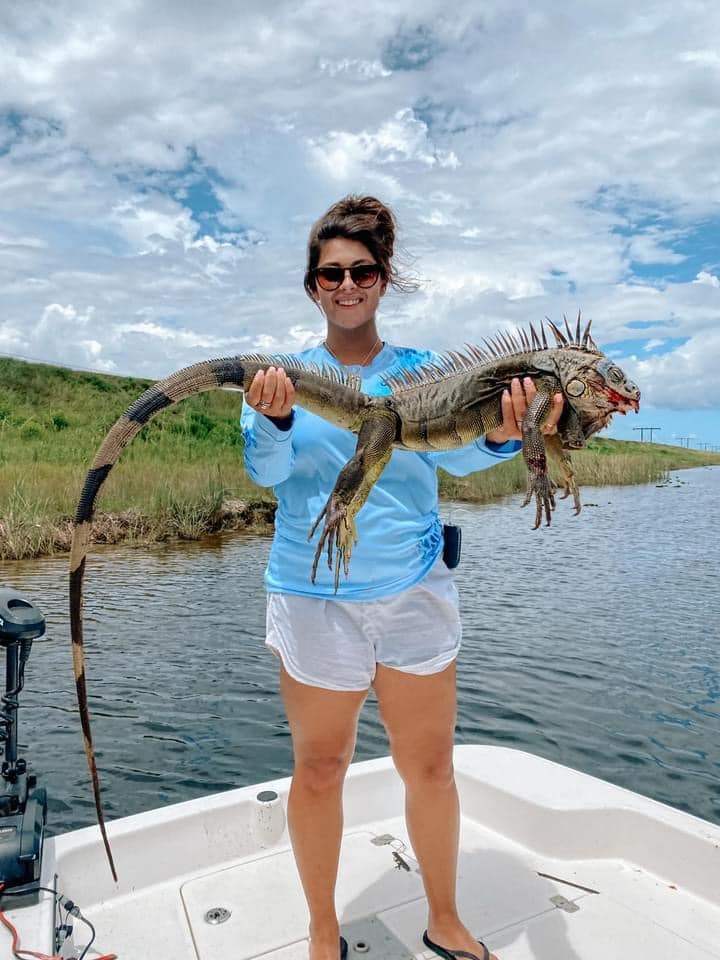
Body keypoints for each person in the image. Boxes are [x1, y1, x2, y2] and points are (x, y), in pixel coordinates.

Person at [240, 196, 563, 960]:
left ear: (383, 280)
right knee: (320, 769)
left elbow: (455, 456)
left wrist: (499, 429)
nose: (346, 284)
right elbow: (268, 472)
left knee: (430, 767)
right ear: (312, 285)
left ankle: (443, 916)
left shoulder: (420, 373)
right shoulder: (285, 378)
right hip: (313, 592)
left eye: (362, 271)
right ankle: (323, 930)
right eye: (331, 273)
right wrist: (276, 421)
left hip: (414, 590)